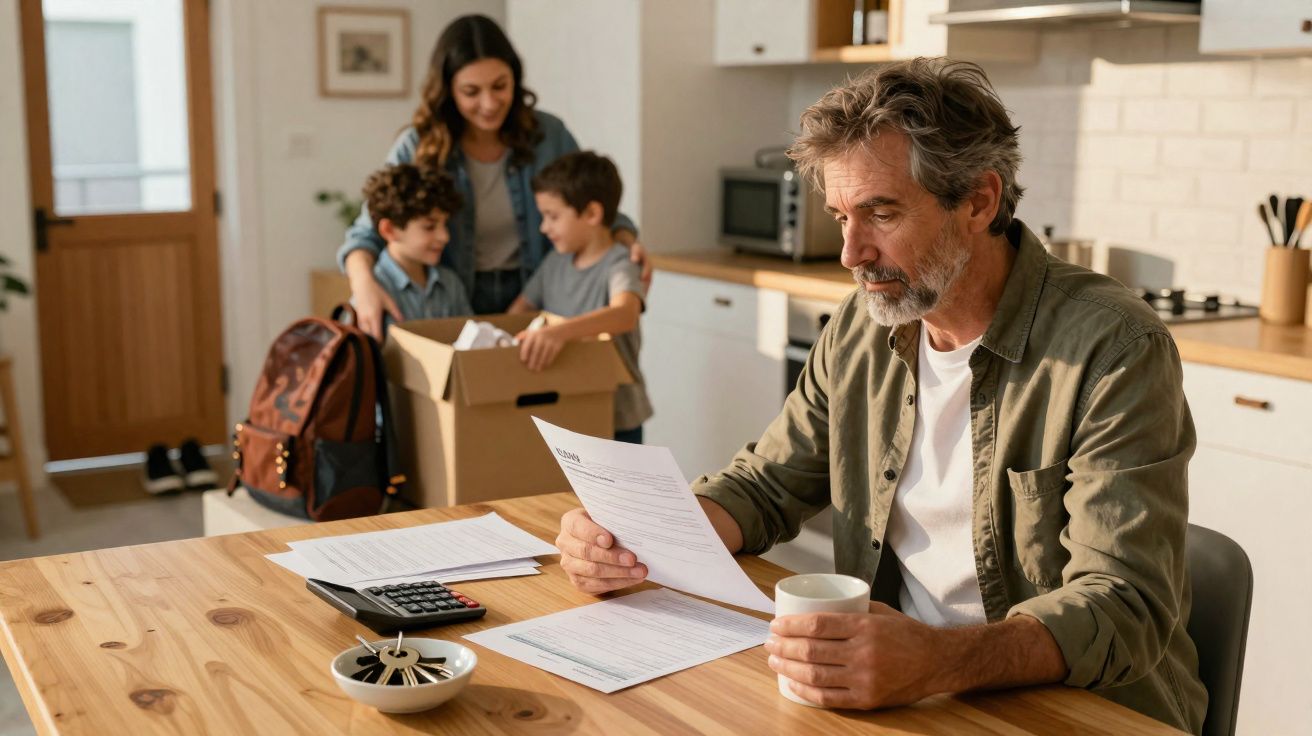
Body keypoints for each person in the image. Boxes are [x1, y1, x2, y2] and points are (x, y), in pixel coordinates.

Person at [552, 58, 1207, 734]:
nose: (850, 253)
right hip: (903, 694)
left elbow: (1124, 606)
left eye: (881, 213)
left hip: (1074, 711)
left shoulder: (1113, 348)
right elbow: (766, 486)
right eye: (840, 217)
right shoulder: (862, 329)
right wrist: (634, 536)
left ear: (979, 201)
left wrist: (939, 661)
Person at [337, 14, 649, 339]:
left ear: (515, 78)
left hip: (535, 292)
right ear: (448, 91)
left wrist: (626, 241)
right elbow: (366, 233)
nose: (489, 104)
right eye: (471, 91)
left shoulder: (547, 134)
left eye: (500, 86)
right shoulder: (418, 146)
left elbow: (590, 201)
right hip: (456, 296)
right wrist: (364, 285)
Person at [507, 152, 651, 444]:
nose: (543, 228)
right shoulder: (554, 263)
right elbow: (514, 316)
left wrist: (559, 333)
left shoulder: (621, 263)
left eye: (553, 216)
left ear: (592, 214)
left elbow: (624, 314)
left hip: (617, 417)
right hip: (565, 413)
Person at [358, 164, 472, 333]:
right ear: (389, 230)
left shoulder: (450, 284)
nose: (445, 236)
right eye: (429, 227)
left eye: (444, 224)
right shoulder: (373, 291)